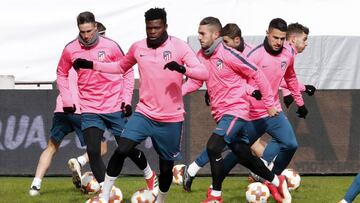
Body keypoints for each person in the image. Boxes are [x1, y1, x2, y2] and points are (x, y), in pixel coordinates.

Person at [74, 8, 209, 203]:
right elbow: (120, 67)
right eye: (149, 28)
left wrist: (182, 69)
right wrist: (91, 65)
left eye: (157, 27)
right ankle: (105, 197)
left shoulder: (179, 47)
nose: (153, 31)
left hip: (171, 119)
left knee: (165, 166)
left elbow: (203, 73)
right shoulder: (138, 47)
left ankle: (161, 199)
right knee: (122, 149)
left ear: (165, 26)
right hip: (144, 113)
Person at [182, 17, 291, 203]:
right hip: (220, 113)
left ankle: (215, 196)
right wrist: (176, 95)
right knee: (243, 155)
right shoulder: (200, 56)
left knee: (213, 147)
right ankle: (276, 180)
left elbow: (256, 73)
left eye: (202, 33)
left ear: (216, 34)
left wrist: (268, 102)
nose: (199, 37)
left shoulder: (229, 54)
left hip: (236, 110)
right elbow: (196, 81)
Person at [56, 11, 157, 196]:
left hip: (114, 106)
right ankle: (106, 193)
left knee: (127, 149)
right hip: (89, 108)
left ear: (95, 27)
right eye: (82, 31)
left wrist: (126, 100)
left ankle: (150, 175)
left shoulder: (110, 46)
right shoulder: (70, 49)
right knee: (93, 151)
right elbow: (61, 73)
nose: (86, 35)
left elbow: (127, 71)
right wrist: (68, 100)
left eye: (89, 30)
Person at [67, 20, 110, 189]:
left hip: (66, 109)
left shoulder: (72, 53)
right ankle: (103, 186)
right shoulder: (91, 56)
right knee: (100, 148)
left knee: (51, 147)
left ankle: (36, 184)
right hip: (87, 109)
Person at [203, 23, 253, 106]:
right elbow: (220, 73)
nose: (223, 45)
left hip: (253, 102)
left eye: (226, 42)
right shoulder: (221, 55)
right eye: (222, 42)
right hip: (233, 102)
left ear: (237, 40)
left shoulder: (251, 53)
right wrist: (210, 89)